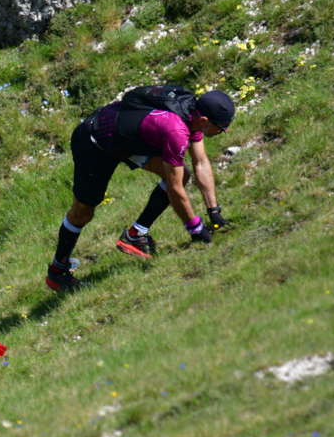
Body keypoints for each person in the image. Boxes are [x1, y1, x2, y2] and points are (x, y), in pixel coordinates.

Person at [47, 85, 236, 291]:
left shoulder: (193, 112)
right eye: (223, 127)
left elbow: (200, 162)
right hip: (94, 141)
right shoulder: (176, 130)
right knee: (82, 213)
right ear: (204, 121)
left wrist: (213, 210)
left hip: (126, 138)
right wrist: (195, 228)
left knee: (183, 174)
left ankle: (135, 236)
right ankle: (57, 272)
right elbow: (174, 189)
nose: (225, 131)